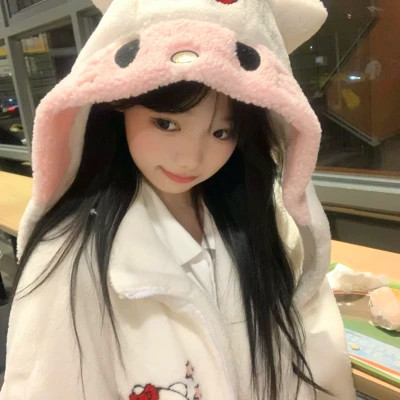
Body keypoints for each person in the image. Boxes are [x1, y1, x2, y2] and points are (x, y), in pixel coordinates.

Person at [0, 1, 356, 399]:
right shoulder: (68, 255)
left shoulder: (261, 219)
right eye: (166, 123)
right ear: (116, 105)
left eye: (221, 132)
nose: (191, 159)